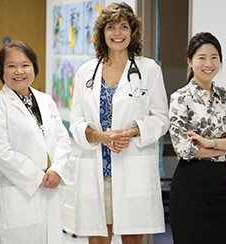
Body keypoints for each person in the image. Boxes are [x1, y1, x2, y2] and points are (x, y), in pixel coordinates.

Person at [69, 2, 169, 244]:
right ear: (102, 33)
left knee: (133, 237)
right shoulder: (86, 72)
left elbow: (161, 118)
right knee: (98, 237)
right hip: (97, 168)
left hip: (133, 164)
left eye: (124, 26)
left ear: (132, 32)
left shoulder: (149, 70)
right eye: (111, 27)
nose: (118, 33)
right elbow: (76, 122)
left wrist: (134, 131)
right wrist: (102, 137)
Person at [0, 40, 71, 244]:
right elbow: (1, 154)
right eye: (11, 66)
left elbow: (62, 140)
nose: (19, 71)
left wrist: (57, 170)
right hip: (19, 192)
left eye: (25, 65)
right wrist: (39, 177)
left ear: (34, 68)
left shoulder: (46, 101)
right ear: (1, 71)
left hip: (51, 189)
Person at [168, 32, 226, 244]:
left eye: (214, 57)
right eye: (201, 57)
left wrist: (208, 143)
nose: (208, 63)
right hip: (189, 188)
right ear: (190, 61)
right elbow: (184, 148)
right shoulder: (181, 98)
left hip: (219, 188)